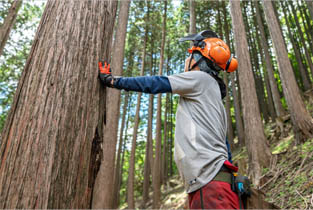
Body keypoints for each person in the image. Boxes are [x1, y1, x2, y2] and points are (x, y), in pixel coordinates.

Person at [99, 30, 240, 209]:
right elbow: (225, 145)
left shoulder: (200, 79)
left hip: (209, 181)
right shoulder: (213, 97)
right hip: (216, 182)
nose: (187, 59)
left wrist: (113, 81)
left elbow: (156, 83)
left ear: (201, 60)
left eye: (191, 54)